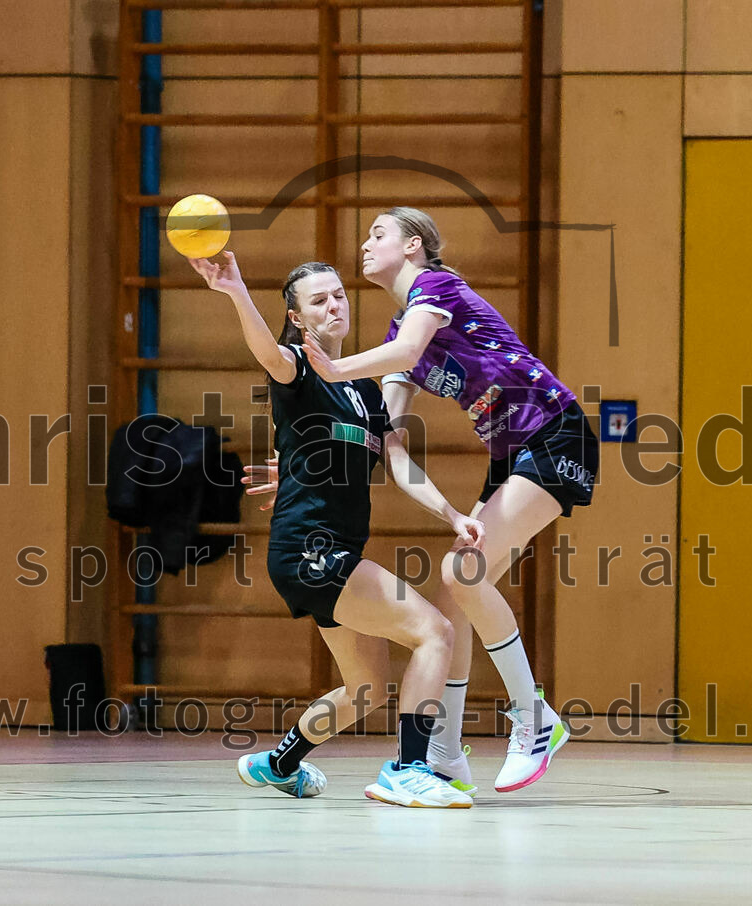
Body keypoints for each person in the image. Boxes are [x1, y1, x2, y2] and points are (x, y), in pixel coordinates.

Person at [302, 207, 599, 793]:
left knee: (462, 571)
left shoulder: (436, 288)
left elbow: (409, 351)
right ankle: (442, 754)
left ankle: (534, 718)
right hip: (510, 454)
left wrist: (334, 368)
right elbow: (383, 431)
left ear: (413, 245)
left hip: (554, 432)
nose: (365, 244)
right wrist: (300, 468)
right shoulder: (395, 333)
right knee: (453, 599)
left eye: (379, 234)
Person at [187, 251, 484, 808]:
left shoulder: (364, 389)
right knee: (435, 632)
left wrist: (452, 514)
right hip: (310, 549)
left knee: (366, 688)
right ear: (297, 317)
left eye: (339, 295)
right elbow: (266, 351)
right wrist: (235, 290)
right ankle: (409, 770)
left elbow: (397, 462)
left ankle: (279, 765)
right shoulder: (297, 368)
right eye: (318, 300)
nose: (334, 306)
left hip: (335, 552)